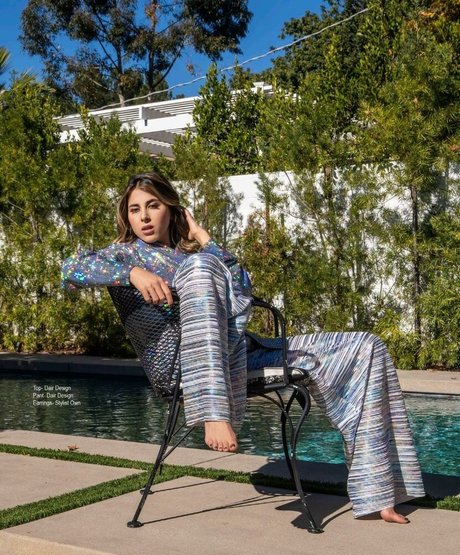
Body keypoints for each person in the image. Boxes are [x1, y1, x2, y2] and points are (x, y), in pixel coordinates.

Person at [61, 171, 425, 524]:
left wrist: (202, 237)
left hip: (240, 352)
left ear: (172, 210)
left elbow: (242, 285)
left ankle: (379, 489)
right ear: (126, 216)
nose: (143, 216)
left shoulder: (190, 255)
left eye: (153, 206)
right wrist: (131, 274)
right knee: (201, 267)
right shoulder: (124, 254)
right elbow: (71, 268)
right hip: (182, 368)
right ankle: (213, 411)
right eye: (135, 209)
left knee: (365, 346)